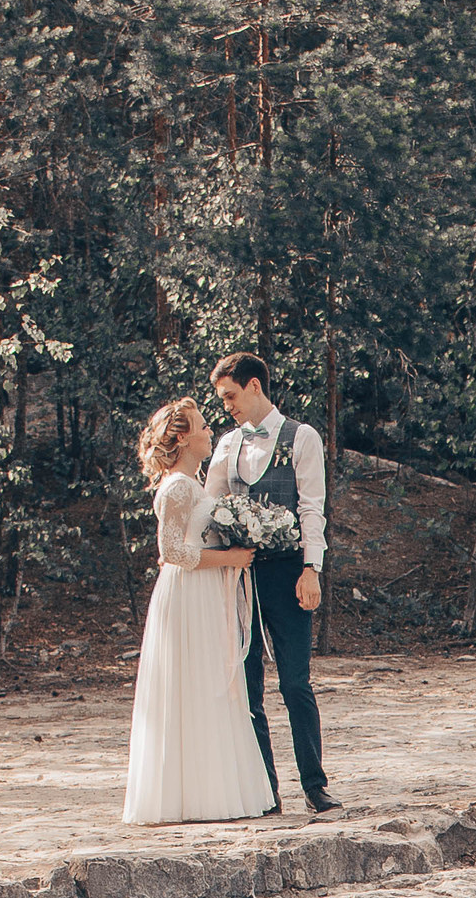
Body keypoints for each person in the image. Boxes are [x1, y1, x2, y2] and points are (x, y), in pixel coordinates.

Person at [122, 400, 276, 827]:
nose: (211, 431)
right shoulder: (177, 487)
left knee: (210, 682)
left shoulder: (193, 483)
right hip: (188, 592)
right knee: (195, 682)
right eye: (204, 426)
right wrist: (228, 558)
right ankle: (189, 795)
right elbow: (170, 551)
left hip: (204, 591)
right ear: (185, 438)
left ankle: (211, 787)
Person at [210, 350, 332, 812]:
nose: (227, 406)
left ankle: (314, 786)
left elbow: (311, 507)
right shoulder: (225, 444)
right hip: (239, 574)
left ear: (254, 386)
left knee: (295, 683)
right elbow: (212, 504)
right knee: (248, 685)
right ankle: (266, 793)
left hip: (288, 572)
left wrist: (311, 568)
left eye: (230, 396)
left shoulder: (303, 437)